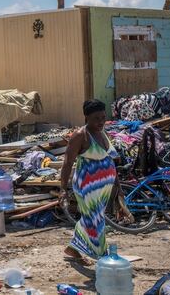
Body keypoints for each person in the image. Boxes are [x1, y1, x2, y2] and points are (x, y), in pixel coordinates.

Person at [60, 99, 121, 265]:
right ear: (86, 117)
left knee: (91, 219)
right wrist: (63, 189)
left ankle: (73, 249)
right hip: (87, 186)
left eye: (103, 117)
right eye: (96, 118)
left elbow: (109, 159)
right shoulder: (81, 135)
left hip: (103, 187)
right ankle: (103, 257)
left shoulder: (101, 132)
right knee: (95, 221)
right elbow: (67, 163)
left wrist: (118, 187)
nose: (101, 122)